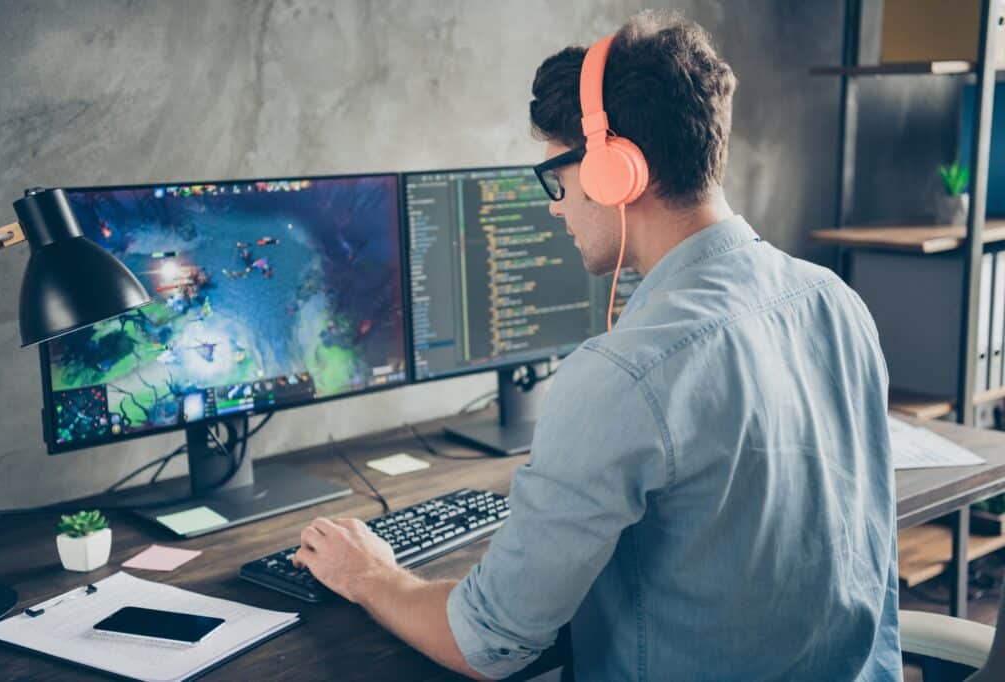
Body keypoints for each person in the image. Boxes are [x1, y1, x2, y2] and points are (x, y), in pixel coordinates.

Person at [293, 10, 901, 680]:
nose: (556, 204)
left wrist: (375, 575)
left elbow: (487, 643)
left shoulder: (625, 373)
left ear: (616, 172)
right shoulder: (833, 300)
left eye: (558, 174)